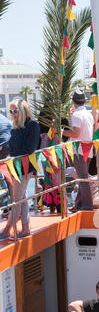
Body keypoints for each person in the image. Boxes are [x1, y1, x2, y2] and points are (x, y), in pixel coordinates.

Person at [0, 99, 40, 241]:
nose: (13, 114)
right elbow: (13, 147)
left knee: (16, 200)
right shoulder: (15, 127)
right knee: (21, 199)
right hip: (15, 166)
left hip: (25, 166)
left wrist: (14, 155)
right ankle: (25, 228)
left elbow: (30, 148)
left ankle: (6, 230)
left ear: (23, 110)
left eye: (15, 111)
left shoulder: (32, 125)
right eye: (11, 111)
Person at [62, 89, 94, 211]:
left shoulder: (76, 115)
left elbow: (75, 133)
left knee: (82, 178)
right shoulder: (88, 114)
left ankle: (87, 205)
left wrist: (62, 132)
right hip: (88, 149)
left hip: (80, 149)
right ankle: (80, 203)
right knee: (83, 177)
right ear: (84, 101)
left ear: (73, 101)